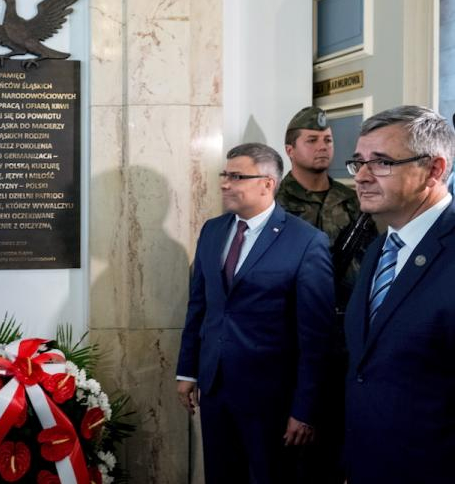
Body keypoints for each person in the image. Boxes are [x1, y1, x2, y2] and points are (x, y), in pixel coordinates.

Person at [176, 143, 335, 484]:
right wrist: (188, 370)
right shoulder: (213, 230)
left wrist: (305, 409)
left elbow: (316, 338)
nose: (224, 184)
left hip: (272, 398)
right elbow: (199, 305)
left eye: (236, 176)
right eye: (225, 175)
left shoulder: (307, 241)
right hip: (215, 388)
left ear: (267, 183)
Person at [344, 106, 455, 484]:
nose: (361, 176)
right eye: (358, 162)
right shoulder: (378, 248)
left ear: (434, 170)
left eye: (382, 163)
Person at [277, 106, 373, 484]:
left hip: (344, 342)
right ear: (290, 149)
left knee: (334, 450)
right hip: (292, 342)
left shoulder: (352, 200)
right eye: (312, 140)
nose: (322, 147)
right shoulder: (274, 204)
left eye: (328, 140)